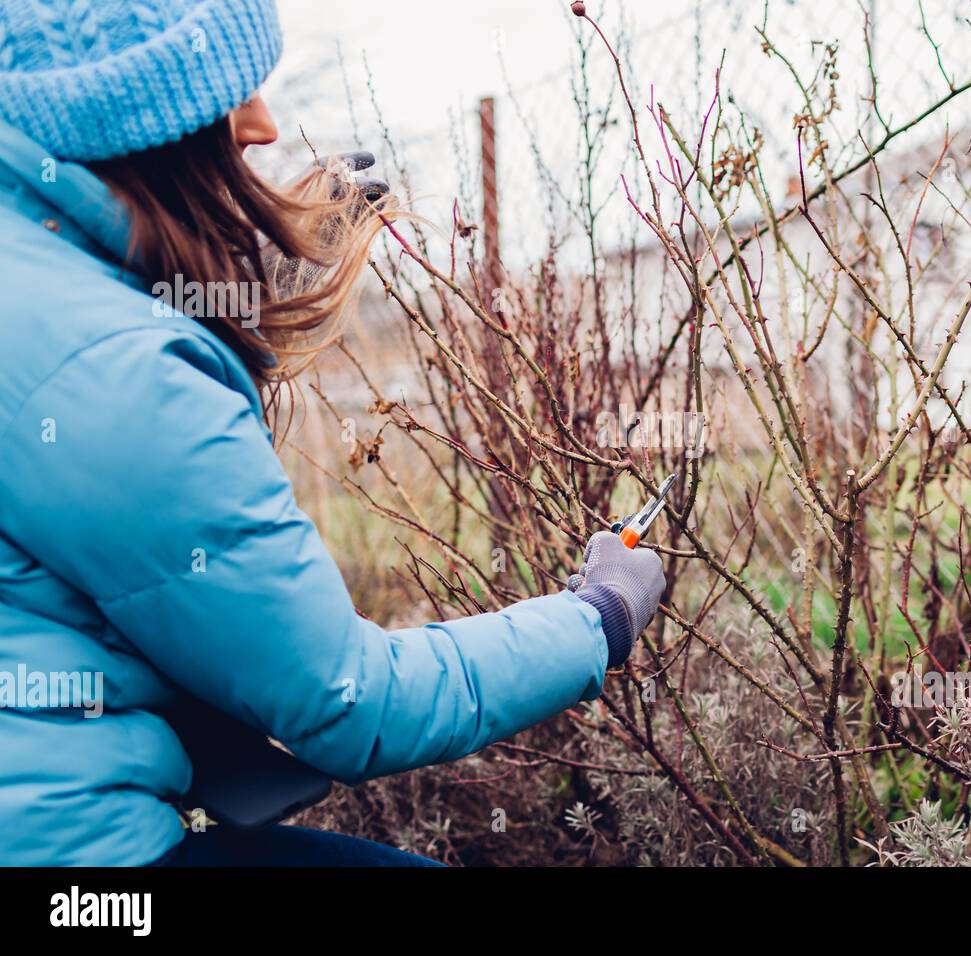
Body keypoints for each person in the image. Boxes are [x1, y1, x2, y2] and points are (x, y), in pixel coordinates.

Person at [0, 0, 666, 866]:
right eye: (229, 95)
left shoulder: (45, 292)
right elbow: (351, 703)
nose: (264, 123)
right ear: (142, 123)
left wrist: (222, 300)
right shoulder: (114, 369)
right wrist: (598, 618)